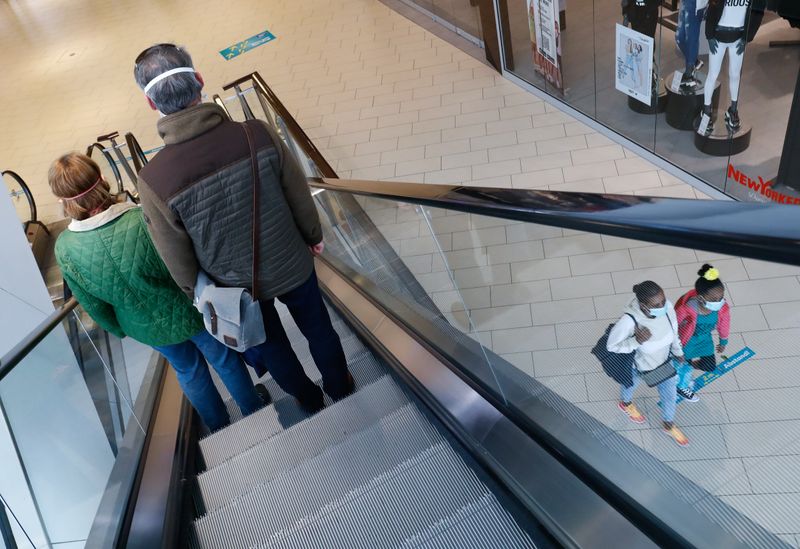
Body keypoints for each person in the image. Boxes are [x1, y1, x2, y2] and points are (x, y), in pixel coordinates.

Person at [132, 43, 353, 413]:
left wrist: (195, 290)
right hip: (291, 260)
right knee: (318, 327)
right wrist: (313, 237)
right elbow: (297, 192)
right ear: (199, 81)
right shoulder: (256, 134)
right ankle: (340, 386)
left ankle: (308, 399)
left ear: (152, 104)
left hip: (234, 287)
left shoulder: (153, 180)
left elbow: (176, 255)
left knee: (270, 345)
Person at [50, 153, 267, 432]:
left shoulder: (65, 248)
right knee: (223, 358)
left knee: (187, 370)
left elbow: (91, 303)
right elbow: (180, 264)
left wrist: (119, 327)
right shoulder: (140, 218)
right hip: (189, 309)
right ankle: (253, 408)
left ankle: (218, 425)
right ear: (102, 180)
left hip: (143, 326)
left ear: (63, 201)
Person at [607, 281, 689, 447]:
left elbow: (673, 332)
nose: (662, 306)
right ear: (643, 306)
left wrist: (678, 352)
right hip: (639, 366)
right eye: (656, 304)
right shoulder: (629, 321)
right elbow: (612, 346)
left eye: (663, 300)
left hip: (664, 363)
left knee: (670, 394)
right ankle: (626, 403)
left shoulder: (667, 308)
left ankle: (668, 424)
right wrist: (636, 341)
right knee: (630, 385)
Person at [674, 264, 730, 402]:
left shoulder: (722, 308)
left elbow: (724, 324)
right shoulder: (686, 309)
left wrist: (723, 341)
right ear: (700, 298)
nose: (719, 302)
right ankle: (681, 387)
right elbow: (673, 326)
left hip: (705, 341)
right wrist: (675, 347)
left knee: (709, 366)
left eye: (721, 297)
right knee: (683, 367)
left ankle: (685, 370)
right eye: (714, 299)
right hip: (685, 342)